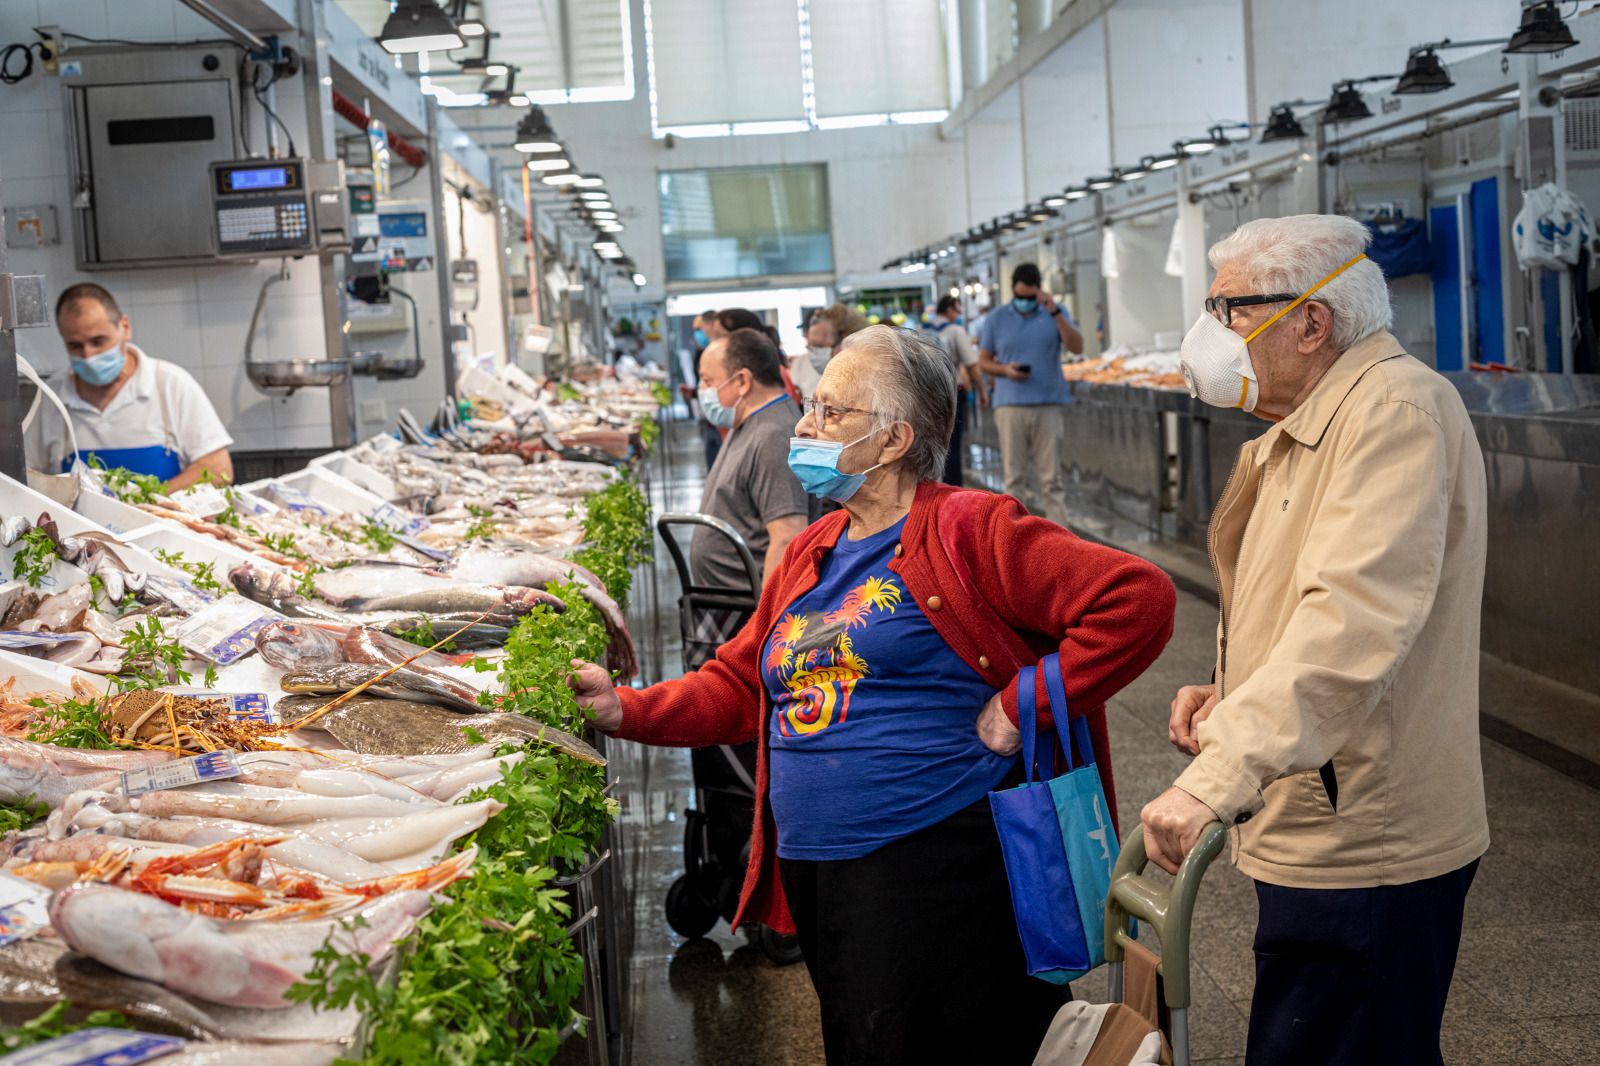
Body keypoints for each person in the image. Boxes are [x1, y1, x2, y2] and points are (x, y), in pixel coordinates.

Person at [570, 325, 1176, 1065]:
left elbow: (1136, 599)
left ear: (893, 440)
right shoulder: (811, 549)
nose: (804, 425)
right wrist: (624, 707)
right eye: (810, 407)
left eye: (830, 413)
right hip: (826, 866)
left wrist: (1022, 707)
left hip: (936, 867)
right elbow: (738, 679)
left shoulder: (970, 528)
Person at [1140, 215, 1489, 1066]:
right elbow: (1306, 605)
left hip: (1367, 833)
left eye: (1227, 308)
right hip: (1316, 808)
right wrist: (1236, 692)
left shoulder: (1394, 414)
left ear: (1310, 321)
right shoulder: (1308, 426)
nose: (1209, 332)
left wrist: (1217, 776)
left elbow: (1353, 625)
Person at [24, 283, 232, 489]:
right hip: (82, 523)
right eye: (75, 346)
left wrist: (150, 503)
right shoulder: (52, 397)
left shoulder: (170, 384)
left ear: (124, 328)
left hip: (164, 519)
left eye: (98, 341)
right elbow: (23, 476)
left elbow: (218, 469)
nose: (88, 356)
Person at [693, 328, 811, 592]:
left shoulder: (773, 436)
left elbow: (787, 536)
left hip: (747, 606)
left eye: (707, 381)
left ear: (743, 382)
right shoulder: (748, 422)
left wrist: (764, 624)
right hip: (726, 600)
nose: (702, 391)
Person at [977, 263, 1082, 525]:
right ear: (1012, 290)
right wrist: (1004, 370)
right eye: (1019, 297)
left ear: (1039, 290)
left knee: (1051, 479)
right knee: (1014, 478)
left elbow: (1077, 346)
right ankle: (1014, 537)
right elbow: (983, 361)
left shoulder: (1055, 313)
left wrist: (1055, 311)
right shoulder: (997, 318)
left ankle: (1061, 540)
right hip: (1010, 405)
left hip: (1048, 404)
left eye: (1029, 297)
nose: (1024, 302)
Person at [929, 294, 987, 486]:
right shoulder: (956, 331)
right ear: (948, 310)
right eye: (957, 309)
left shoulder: (923, 330)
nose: (959, 313)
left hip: (927, 394)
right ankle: (953, 491)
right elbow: (971, 364)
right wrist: (982, 390)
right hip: (952, 393)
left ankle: (932, 489)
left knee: (933, 443)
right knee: (953, 445)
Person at [793, 303, 869, 398]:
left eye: (819, 346)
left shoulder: (869, 389)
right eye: (811, 347)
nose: (813, 353)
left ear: (847, 343)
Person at [679, 310, 724, 470]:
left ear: (713, 325)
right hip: (710, 421)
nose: (698, 334)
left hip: (722, 423)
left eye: (700, 329)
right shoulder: (701, 353)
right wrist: (693, 393)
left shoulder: (721, 354)